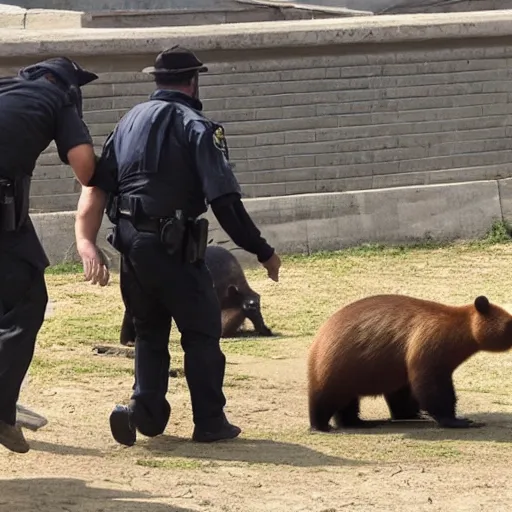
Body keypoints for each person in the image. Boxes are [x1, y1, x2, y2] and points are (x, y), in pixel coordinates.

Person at [75, 45, 282, 447]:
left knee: (150, 331)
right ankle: (209, 422)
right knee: (202, 331)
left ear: (158, 80)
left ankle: (145, 413)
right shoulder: (196, 125)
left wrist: (87, 239)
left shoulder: (127, 122)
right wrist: (262, 250)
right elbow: (225, 202)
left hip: (130, 243)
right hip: (172, 243)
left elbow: (99, 184)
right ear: (194, 80)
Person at [0, 56, 103, 454]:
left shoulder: (7, 89)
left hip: (10, 219)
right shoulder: (57, 98)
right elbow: (85, 169)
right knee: (26, 302)